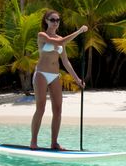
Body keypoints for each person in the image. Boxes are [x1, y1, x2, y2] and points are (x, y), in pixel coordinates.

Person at [30, 10, 87, 150]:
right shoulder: (42, 35)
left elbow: (66, 62)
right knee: (41, 107)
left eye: (58, 20)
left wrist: (77, 79)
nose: (55, 22)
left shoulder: (61, 38)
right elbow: (60, 41)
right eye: (52, 19)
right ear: (46, 21)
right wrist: (79, 31)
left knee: (58, 109)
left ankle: (54, 142)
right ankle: (33, 141)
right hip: (41, 74)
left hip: (55, 75)